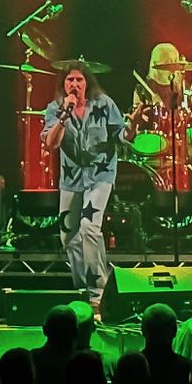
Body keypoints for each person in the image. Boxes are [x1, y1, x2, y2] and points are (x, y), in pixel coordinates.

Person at [42, 64, 128, 305]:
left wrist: (134, 127)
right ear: (63, 84)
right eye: (70, 80)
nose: (75, 84)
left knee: (89, 228)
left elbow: (120, 134)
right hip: (72, 179)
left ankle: (98, 291)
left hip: (100, 175)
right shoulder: (54, 109)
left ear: (87, 83)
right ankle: (84, 287)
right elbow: (51, 142)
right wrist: (64, 115)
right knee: (68, 236)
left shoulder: (104, 103)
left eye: (79, 80)